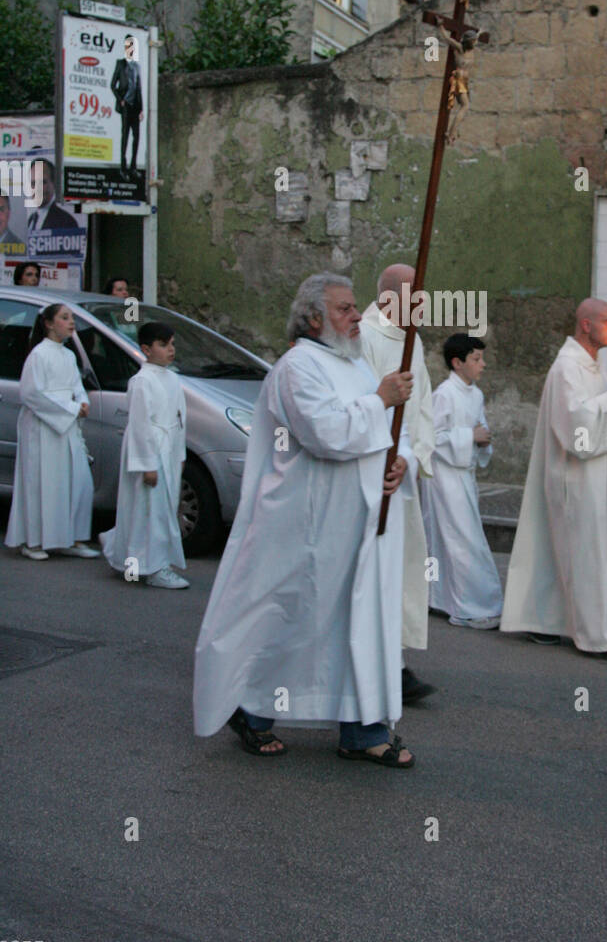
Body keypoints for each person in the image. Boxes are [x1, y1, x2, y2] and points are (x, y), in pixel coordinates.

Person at [193, 272, 418, 766]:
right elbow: (326, 433)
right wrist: (381, 399)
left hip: (357, 526)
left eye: (356, 307)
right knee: (291, 623)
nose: (357, 315)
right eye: (344, 309)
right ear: (315, 319)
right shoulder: (299, 367)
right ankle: (251, 710)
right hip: (308, 526)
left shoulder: (355, 366)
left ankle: (362, 730)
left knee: (356, 627)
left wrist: (400, 463)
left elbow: (382, 433)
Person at [500, 298, 607, 662]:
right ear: (586, 326)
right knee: (585, 554)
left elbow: (603, 425)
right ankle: (599, 637)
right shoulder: (567, 368)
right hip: (573, 479)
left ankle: (546, 621)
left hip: (591, 476)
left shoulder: (590, 366)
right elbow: (576, 429)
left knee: (563, 548)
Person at [360, 263, 436, 704]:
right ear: (390, 299)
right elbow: (367, 404)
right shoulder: (366, 337)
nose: (423, 304)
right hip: (375, 476)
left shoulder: (414, 340)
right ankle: (380, 666)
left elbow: (421, 406)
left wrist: (412, 456)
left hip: (402, 473)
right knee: (376, 573)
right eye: (416, 295)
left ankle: (395, 659)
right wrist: (386, 458)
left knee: (401, 572)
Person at [4, 303, 100, 560]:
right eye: (64, 318)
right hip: (43, 428)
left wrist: (82, 402)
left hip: (66, 425)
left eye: (72, 318)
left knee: (77, 481)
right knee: (42, 483)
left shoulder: (68, 355)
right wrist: (70, 407)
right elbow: (31, 394)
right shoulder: (38, 354)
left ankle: (70, 538)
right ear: (48, 323)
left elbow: (77, 386)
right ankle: (33, 542)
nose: (71, 323)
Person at [99, 321, 188, 589]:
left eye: (172, 344)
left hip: (169, 449)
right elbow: (139, 424)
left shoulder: (173, 378)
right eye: (163, 345)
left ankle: (123, 548)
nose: (170, 350)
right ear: (146, 349)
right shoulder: (140, 381)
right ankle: (153, 566)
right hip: (150, 451)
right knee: (150, 509)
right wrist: (148, 464)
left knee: (162, 508)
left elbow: (180, 417)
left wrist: (180, 453)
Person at [423, 333, 502, 628]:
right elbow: (432, 437)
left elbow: (480, 427)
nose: (483, 364)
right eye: (476, 359)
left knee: (455, 539)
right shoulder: (444, 394)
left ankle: (442, 598)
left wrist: (482, 441)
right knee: (460, 541)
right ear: (457, 363)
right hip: (444, 477)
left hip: (464, 475)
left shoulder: (476, 394)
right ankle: (470, 605)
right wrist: (470, 437)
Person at [111, 36, 143, 178]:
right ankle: (123, 168)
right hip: (126, 106)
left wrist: (141, 108)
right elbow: (113, 85)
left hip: (135, 106)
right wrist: (120, 100)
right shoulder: (120, 64)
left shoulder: (137, 66)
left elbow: (139, 88)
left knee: (136, 137)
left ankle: (133, 167)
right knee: (125, 136)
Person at [26, 160, 79, 231]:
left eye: (42, 182)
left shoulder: (66, 221)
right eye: (33, 183)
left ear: (54, 184)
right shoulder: (30, 220)